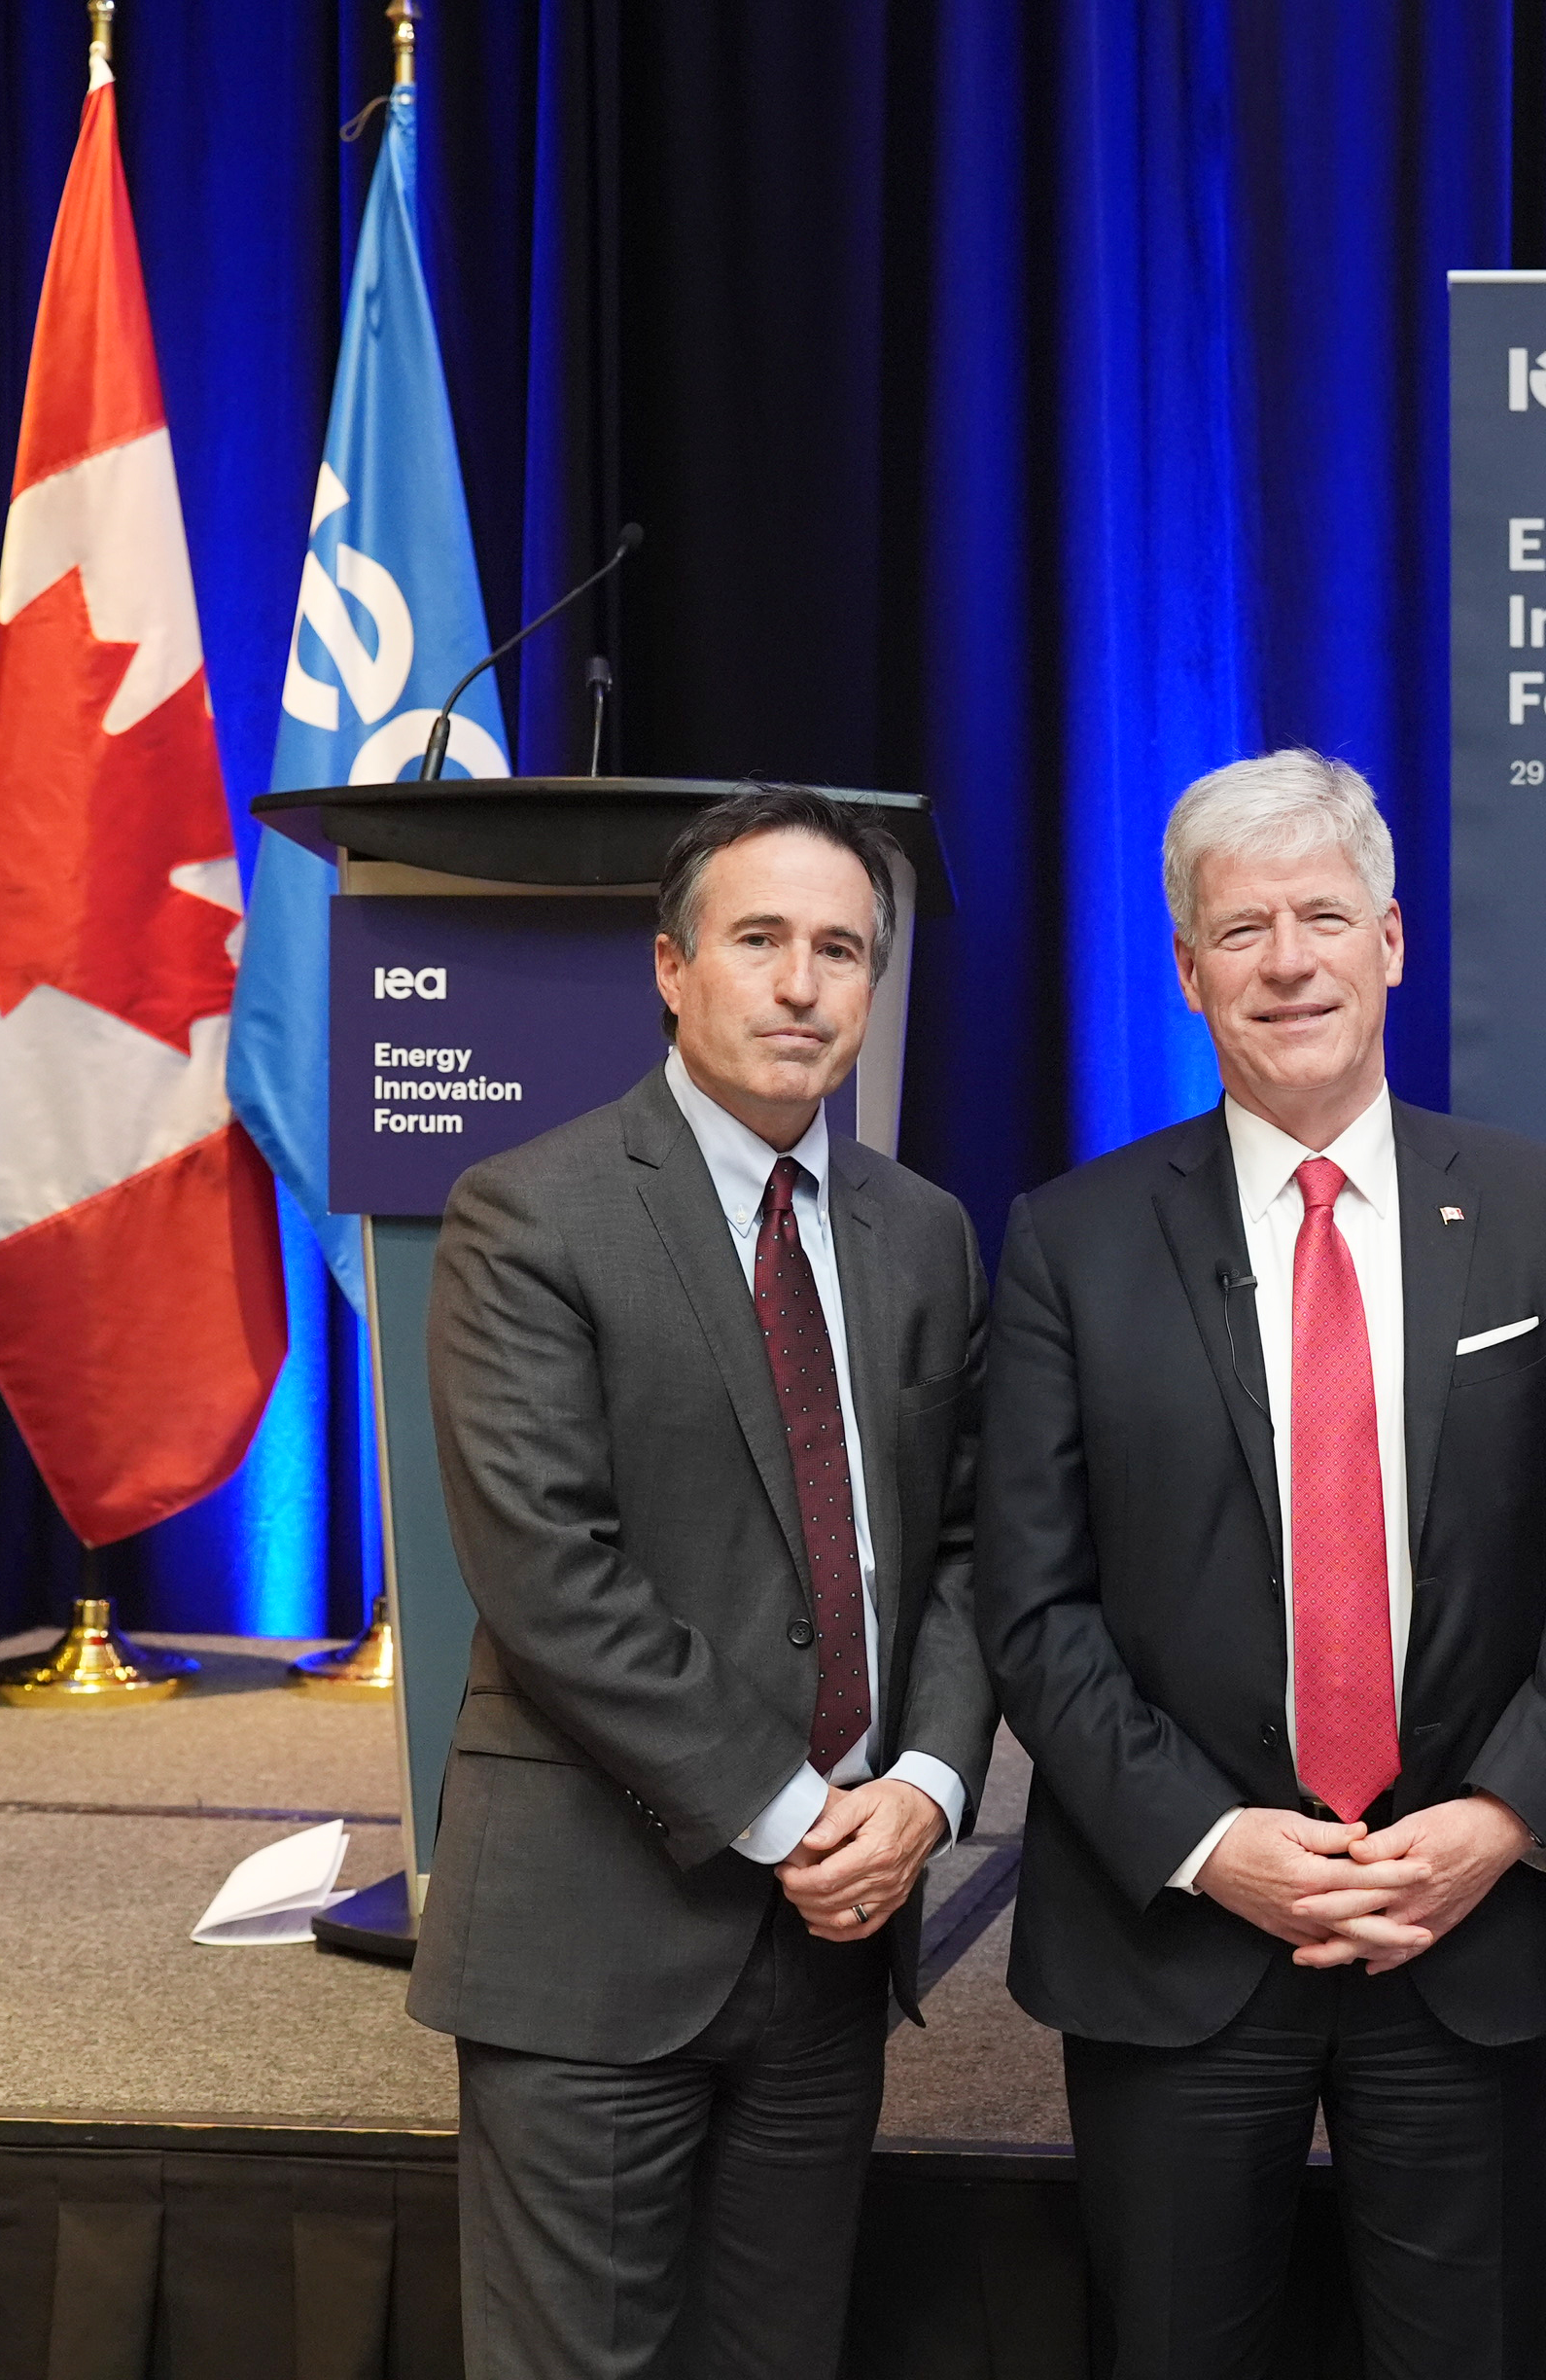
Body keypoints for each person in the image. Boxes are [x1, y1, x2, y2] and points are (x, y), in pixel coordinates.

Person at [975, 749, 1546, 2380]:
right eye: (1243, 930)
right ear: (1186, 970)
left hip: (1461, 1929)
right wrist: (1211, 1840)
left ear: (1393, 941)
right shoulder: (1071, 1242)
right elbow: (1033, 1600)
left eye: (1323, 917)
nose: (1287, 962)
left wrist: (1500, 1821)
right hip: (1177, 1934)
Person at [409, 785, 995, 2378]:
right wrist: (798, 1817)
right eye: (759, 941)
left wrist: (927, 1788)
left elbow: (964, 1547)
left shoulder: (924, 1234)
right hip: (599, 1936)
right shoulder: (531, 1212)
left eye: (840, 950)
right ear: (671, 968)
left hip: (838, 1942)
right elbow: (548, 1573)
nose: (802, 984)